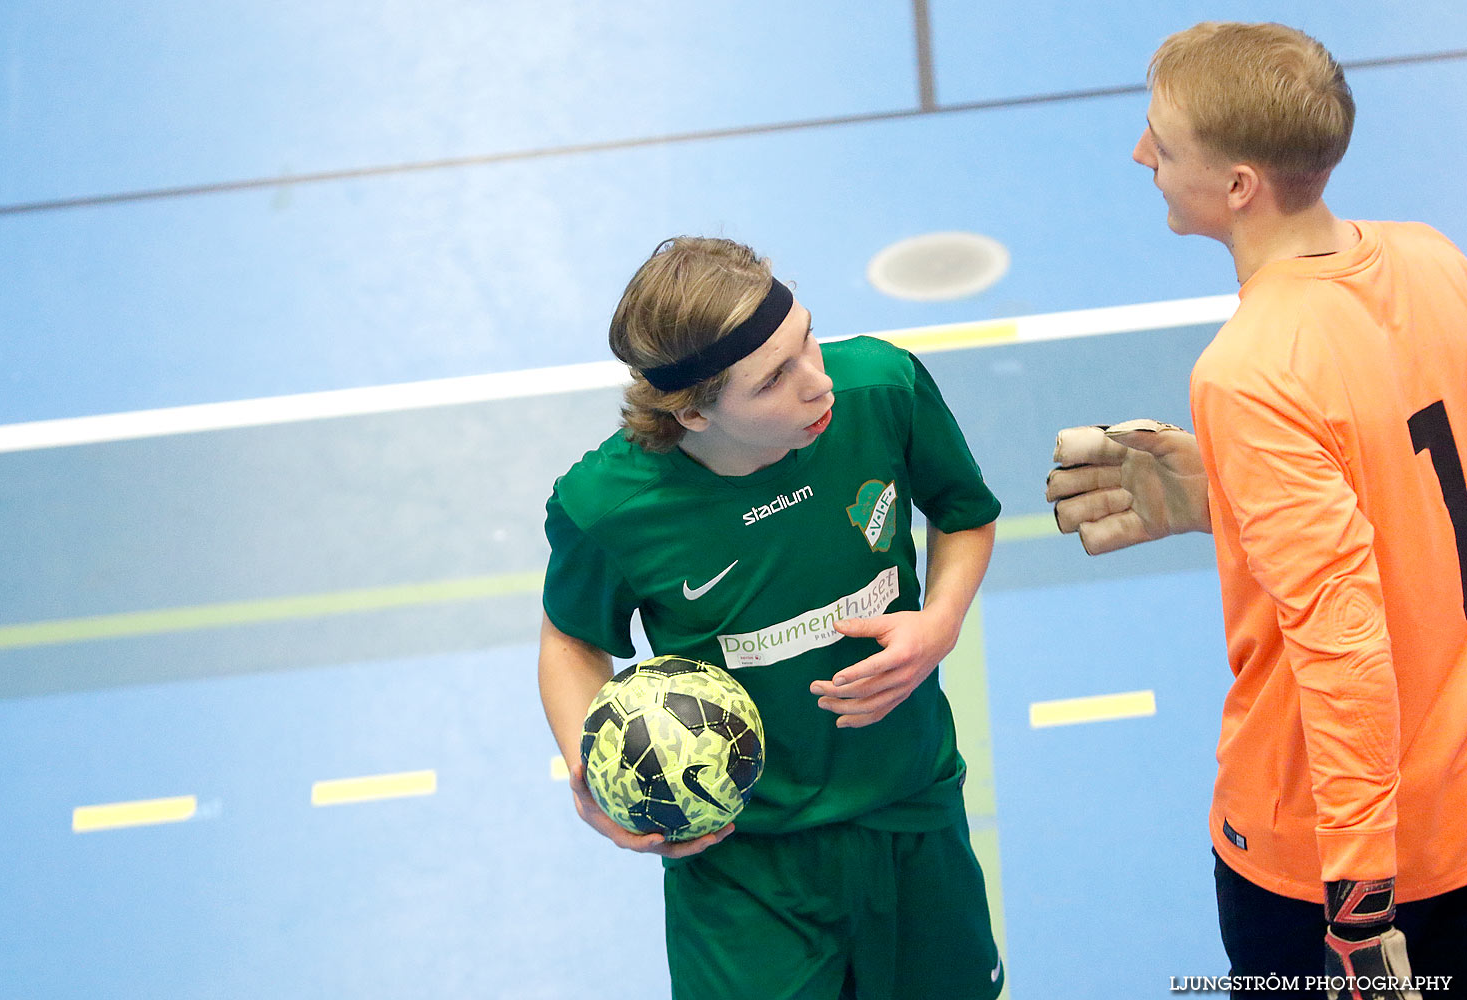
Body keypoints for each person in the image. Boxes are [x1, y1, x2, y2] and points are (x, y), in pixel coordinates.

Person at [1046, 21, 1467, 1000]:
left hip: (1329, 855)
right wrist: (1233, 493)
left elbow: (1343, 640)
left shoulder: (1250, 370)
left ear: (1240, 185)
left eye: (1164, 139)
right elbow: (1407, 486)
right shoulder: (1432, 259)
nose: (1141, 155)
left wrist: (1360, 908)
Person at [539, 236, 1004, 999]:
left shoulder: (882, 388)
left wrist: (941, 621)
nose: (818, 383)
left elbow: (963, 513)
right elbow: (571, 640)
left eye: (809, 340)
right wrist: (591, 768)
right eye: (773, 380)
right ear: (691, 412)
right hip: (742, 866)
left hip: (911, 807)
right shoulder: (611, 508)